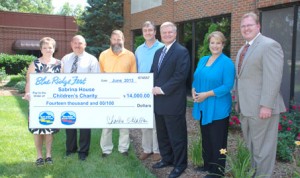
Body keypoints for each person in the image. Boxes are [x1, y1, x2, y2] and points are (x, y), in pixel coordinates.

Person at [235, 12, 285, 178]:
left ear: (258, 26)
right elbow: (241, 78)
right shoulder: (243, 49)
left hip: (262, 108)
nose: (246, 28)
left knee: (263, 150)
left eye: (249, 25)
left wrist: (267, 105)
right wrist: (238, 101)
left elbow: (273, 77)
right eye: (243, 26)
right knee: (252, 147)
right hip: (246, 108)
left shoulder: (269, 45)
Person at [192, 31, 235, 177]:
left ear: (223, 45)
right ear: (209, 44)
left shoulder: (227, 63)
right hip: (204, 106)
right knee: (206, 138)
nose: (215, 46)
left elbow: (227, 86)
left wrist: (206, 94)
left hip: (218, 108)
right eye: (212, 43)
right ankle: (208, 165)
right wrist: (193, 89)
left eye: (218, 43)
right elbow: (197, 77)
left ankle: (217, 171)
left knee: (218, 141)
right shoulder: (203, 60)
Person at [151, 22, 190, 178]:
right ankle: (167, 159)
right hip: (159, 102)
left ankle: (180, 165)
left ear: (175, 33)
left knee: (177, 136)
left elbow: (180, 76)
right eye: (164, 32)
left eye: (170, 32)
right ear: (160, 34)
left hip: (173, 102)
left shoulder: (181, 52)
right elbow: (153, 73)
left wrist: (162, 89)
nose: (167, 34)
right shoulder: (158, 52)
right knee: (163, 135)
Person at [23, 37, 61, 166]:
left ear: (54, 49)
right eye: (45, 47)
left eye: (50, 47)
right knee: (37, 130)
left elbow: (63, 84)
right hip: (37, 103)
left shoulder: (59, 64)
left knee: (49, 129)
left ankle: (48, 155)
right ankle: (39, 156)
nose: (48, 50)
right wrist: (28, 94)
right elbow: (29, 82)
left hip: (52, 102)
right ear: (41, 49)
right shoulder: (34, 64)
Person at [62, 35, 100, 161]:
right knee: (69, 121)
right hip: (68, 96)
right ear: (71, 44)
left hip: (85, 96)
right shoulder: (65, 59)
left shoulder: (92, 59)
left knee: (84, 124)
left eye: (80, 43)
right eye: (75, 43)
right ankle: (70, 149)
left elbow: (96, 79)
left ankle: (83, 151)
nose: (77, 46)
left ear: (85, 45)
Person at [99, 30, 137, 157]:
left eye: (119, 39)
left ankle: (123, 148)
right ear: (110, 40)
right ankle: (106, 149)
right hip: (108, 95)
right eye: (114, 39)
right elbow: (100, 76)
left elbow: (134, 76)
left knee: (124, 124)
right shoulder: (103, 55)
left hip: (124, 96)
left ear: (123, 40)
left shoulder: (130, 55)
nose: (116, 42)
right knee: (106, 124)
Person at [135, 21, 164, 162]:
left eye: (150, 30)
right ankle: (147, 149)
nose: (147, 32)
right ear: (143, 32)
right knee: (144, 122)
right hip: (141, 90)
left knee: (156, 122)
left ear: (155, 32)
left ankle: (157, 150)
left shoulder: (162, 47)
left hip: (156, 88)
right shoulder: (139, 50)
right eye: (145, 30)